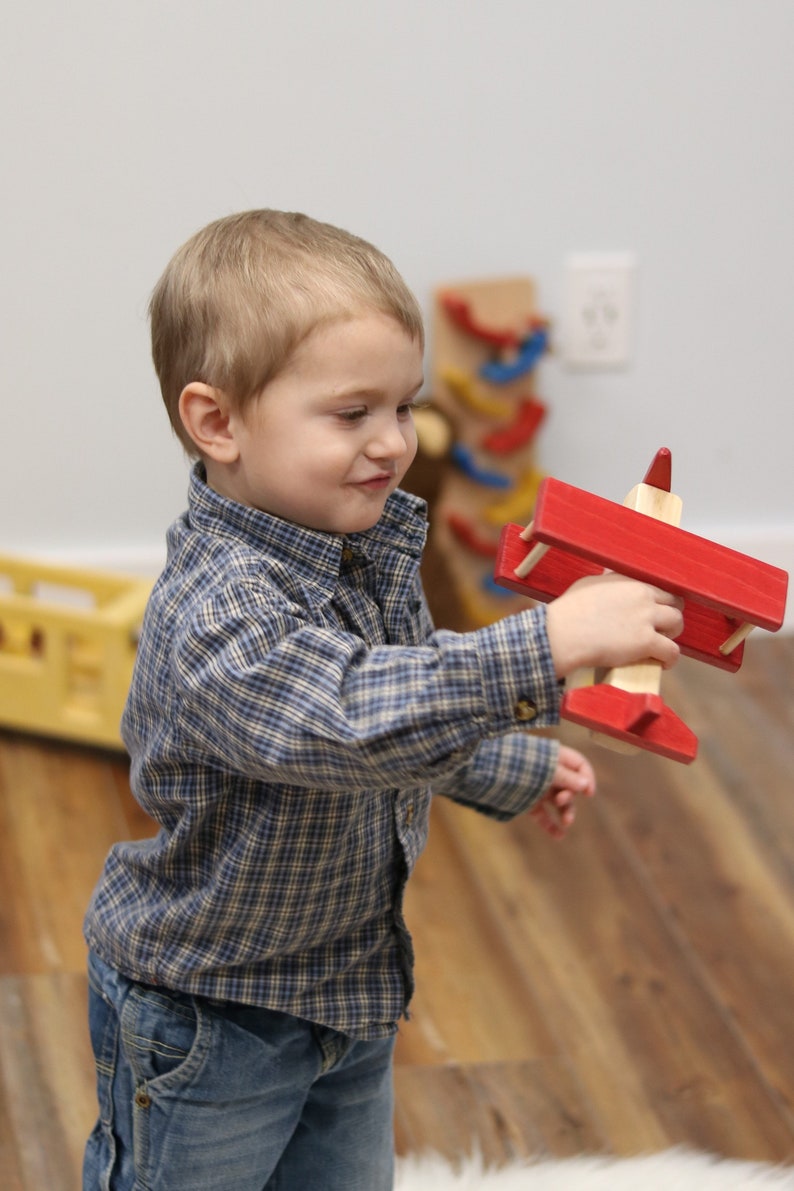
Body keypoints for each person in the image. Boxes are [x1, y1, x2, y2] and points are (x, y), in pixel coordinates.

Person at [82, 209, 684, 1191]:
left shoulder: (361, 551)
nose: (393, 443)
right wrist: (545, 641)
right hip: (211, 1018)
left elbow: (404, 708)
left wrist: (508, 766)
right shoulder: (217, 609)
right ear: (218, 422)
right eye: (350, 413)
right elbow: (346, 713)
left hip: (344, 987)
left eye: (401, 407)